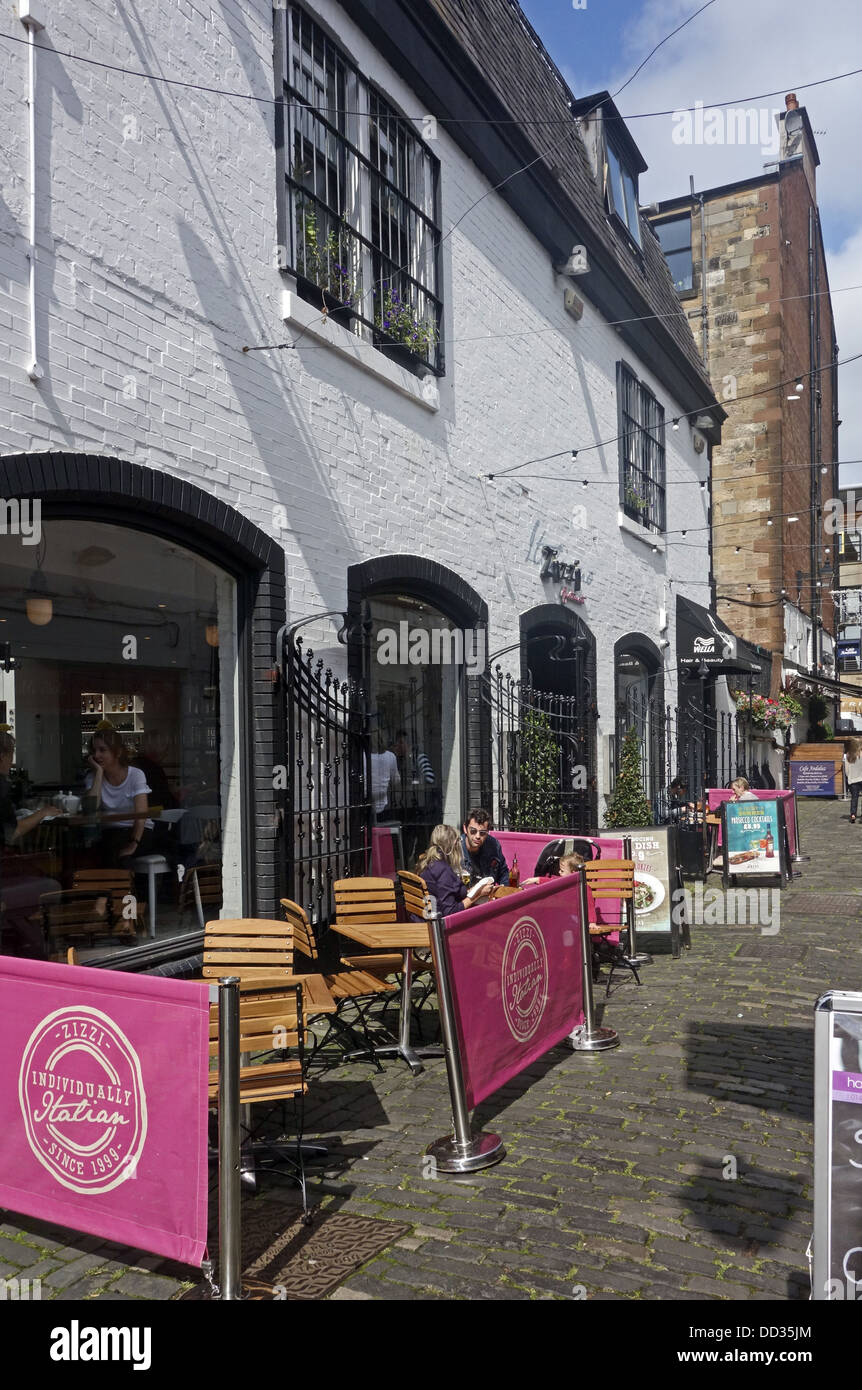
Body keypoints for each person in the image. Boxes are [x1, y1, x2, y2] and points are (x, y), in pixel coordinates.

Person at [0, 729, 63, 957]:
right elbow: (11, 834)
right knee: (53, 882)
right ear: (3, 756)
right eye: (11, 754)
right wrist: (43, 813)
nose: (12, 760)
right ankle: (42, 951)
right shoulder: (1, 787)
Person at [84, 723, 154, 865]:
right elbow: (91, 808)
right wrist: (98, 773)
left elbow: (141, 816)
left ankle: (120, 887)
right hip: (111, 832)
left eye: (102, 750)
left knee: (115, 855)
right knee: (91, 853)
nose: (97, 755)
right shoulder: (92, 777)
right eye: (94, 750)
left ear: (117, 752)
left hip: (139, 832)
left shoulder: (135, 775)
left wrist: (134, 844)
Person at [418, 825, 493, 917]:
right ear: (452, 845)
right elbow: (450, 911)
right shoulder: (443, 870)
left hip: (424, 917)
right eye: (458, 840)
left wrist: (473, 890)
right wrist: (478, 895)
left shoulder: (427, 862)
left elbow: (445, 892)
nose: (460, 844)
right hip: (438, 926)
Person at [460, 807, 509, 886]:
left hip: (489, 896)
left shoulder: (494, 845)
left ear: (488, 832)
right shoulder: (456, 850)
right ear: (465, 829)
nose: (478, 836)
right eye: (473, 831)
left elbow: (503, 873)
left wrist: (504, 890)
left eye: (482, 833)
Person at [369, 746, 399, 821]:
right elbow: (396, 781)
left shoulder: (361, 756)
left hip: (365, 804)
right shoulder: (390, 756)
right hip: (384, 805)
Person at [844, 738, 862, 823]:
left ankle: (853, 815)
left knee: (854, 798)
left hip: (853, 780)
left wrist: (850, 777)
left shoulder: (848, 755)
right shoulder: (861, 754)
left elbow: (847, 770)